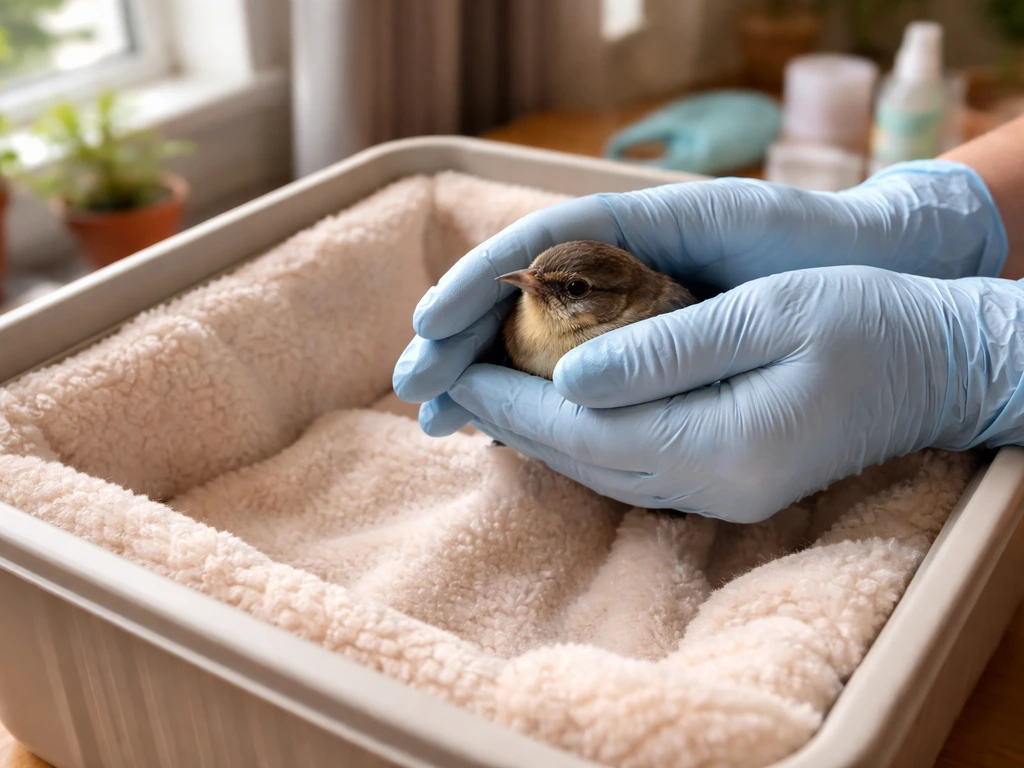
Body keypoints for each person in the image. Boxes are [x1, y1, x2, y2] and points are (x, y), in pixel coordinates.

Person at [392, 114, 1024, 524]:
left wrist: (956, 359)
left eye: (571, 289)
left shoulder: (662, 316)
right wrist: (937, 212)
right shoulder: (522, 320)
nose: (528, 287)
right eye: (531, 279)